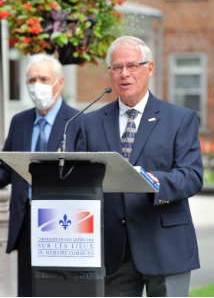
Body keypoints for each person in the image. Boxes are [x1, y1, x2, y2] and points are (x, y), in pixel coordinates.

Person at [75, 36, 204, 297]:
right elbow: (80, 180)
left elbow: (192, 176)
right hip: (113, 249)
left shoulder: (180, 119)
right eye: (117, 67)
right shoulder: (89, 123)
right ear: (110, 73)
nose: (125, 74)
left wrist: (152, 181)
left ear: (150, 68)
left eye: (132, 66)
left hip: (166, 245)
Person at [0, 53, 83, 297]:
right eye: (32, 80)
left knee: (59, 289)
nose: (37, 85)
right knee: (29, 289)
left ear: (60, 82)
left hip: (62, 223)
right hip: (26, 220)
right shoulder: (20, 121)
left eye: (44, 78)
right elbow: (6, 168)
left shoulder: (79, 121)